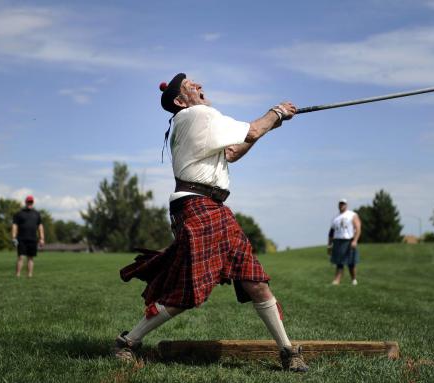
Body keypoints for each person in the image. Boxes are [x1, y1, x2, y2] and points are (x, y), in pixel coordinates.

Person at [114, 73, 308, 372]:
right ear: (180, 100)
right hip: (198, 206)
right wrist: (276, 112)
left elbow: (232, 152)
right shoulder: (197, 114)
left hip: (212, 207)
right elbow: (252, 131)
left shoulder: (193, 121)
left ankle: (287, 351)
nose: (200, 86)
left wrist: (269, 125)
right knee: (188, 291)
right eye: (192, 86)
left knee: (254, 280)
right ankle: (128, 342)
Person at [327, 199, 361, 285]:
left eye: (343, 204)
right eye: (340, 204)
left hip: (349, 240)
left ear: (346, 205)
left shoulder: (352, 215)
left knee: (351, 263)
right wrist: (329, 245)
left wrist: (355, 240)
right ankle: (337, 280)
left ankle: (354, 279)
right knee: (339, 263)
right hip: (338, 241)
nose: (342, 205)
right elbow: (331, 232)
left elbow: (358, 228)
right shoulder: (335, 218)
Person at [12, 195, 45, 278]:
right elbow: (14, 226)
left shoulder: (37, 214)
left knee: (31, 258)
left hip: (33, 239)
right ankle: (17, 275)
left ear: (33, 203)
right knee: (20, 257)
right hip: (21, 239)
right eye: (28, 202)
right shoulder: (19, 213)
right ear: (25, 202)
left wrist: (42, 238)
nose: (30, 203)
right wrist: (13, 237)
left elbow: (40, 226)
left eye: (31, 202)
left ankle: (29, 275)